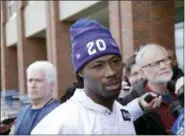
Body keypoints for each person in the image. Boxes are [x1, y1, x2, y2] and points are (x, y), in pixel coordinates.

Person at [31, 18, 161, 134]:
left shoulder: (122, 112)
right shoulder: (58, 126)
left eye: (115, 61)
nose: (111, 72)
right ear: (81, 72)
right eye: (98, 66)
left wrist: (139, 105)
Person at [135, 43, 179, 134]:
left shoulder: (180, 92)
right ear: (142, 72)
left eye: (165, 60)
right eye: (155, 64)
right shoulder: (134, 105)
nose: (163, 66)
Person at [13, 61, 60, 135]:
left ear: (52, 85)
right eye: (30, 80)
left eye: (38, 80)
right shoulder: (22, 112)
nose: (32, 85)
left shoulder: (59, 113)